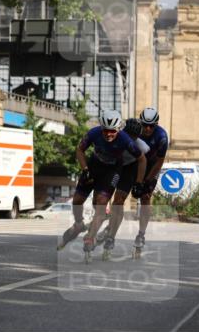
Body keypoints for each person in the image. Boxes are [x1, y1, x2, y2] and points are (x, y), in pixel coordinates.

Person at [59, 110, 146, 257]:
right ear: (101, 127)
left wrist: (138, 182)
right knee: (77, 200)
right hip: (93, 166)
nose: (108, 134)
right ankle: (79, 224)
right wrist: (84, 168)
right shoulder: (93, 133)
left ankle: (90, 237)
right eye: (105, 130)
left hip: (111, 172)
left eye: (112, 131)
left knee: (100, 205)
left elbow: (142, 159)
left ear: (118, 129)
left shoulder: (126, 140)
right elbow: (80, 150)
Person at [95, 118, 149, 257]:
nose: (129, 139)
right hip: (114, 166)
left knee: (118, 203)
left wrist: (138, 182)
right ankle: (109, 226)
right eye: (128, 135)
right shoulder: (113, 137)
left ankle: (111, 237)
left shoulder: (142, 147)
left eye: (133, 137)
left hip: (129, 170)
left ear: (138, 137)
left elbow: (143, 162)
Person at [133, 106, 170, 251]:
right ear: (140, 123)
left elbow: (160, 162)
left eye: (151, 126)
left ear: (156, 125)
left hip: (152, 167)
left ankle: (141, 234)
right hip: (135, 165)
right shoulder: (135, 131)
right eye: (145, 126)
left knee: (145, 197)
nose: (147, 129)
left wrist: (146, 181)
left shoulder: (162, 137)